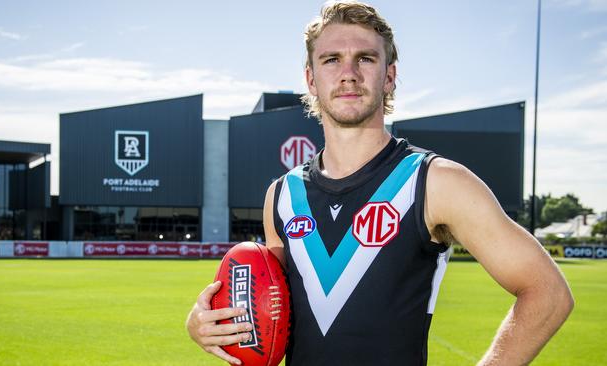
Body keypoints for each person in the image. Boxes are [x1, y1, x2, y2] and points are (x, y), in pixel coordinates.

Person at [186, 1, 574, 365]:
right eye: (331, 59)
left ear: (389, 76)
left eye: (365, 59)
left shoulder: (436, 181)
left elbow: (549, 293)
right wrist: (206, 323)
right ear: (311, 78)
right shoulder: (283, 195)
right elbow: (270, 311)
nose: (348, 73)